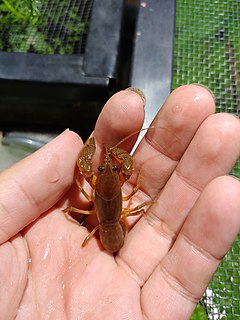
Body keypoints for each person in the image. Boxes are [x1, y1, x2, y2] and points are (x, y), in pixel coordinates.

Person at [0, 84, 239, 319]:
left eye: (107, 167)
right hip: (109, 229)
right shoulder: (120, 179)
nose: (106, 167)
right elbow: (133, 186)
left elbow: (85, 183)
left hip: (107, 229)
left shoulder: (90, 185)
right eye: (106, 167)